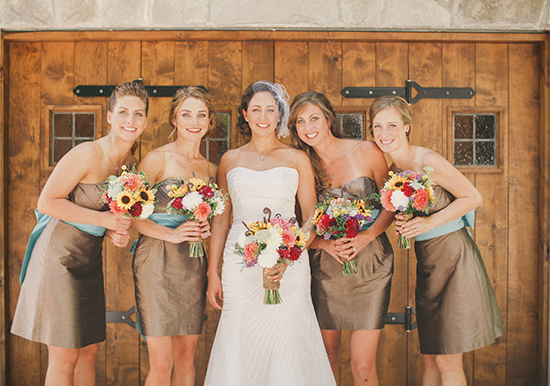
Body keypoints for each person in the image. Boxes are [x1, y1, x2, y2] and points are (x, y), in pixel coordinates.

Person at [11, 82, 149, 386]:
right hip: (58, 259)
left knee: (89, 350)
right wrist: (105, 220)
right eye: (124, 112)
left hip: (88, 260)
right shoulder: (87, 153)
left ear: (145, 122)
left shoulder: (129, 166)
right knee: (66, 356)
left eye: (138, 114)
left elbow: (116, 220)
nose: (131, 120)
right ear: (110, 116)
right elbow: (47, 202)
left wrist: (120, 234)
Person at [204, 81, 336, 386]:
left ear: (279, 115)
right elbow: (222, 220)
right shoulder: (230, 160)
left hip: (289, 259)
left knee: (287, 334)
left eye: (270, 109)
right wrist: (213, 272)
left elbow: (312, 216)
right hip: (239, 263)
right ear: (245, 115)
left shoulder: (296, 158)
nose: (263, 115)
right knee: (240, 331)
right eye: (256, 109)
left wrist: (289, 256)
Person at [369, 95, 505, 386]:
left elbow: (473, 197)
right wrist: (406, 223)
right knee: (430, 355)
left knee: (446, 358)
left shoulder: (427, 161)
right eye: (377, 126)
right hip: (429, 262)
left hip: (454, 259)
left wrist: (428, 222)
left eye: (392, 125)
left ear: (406, 127)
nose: (384, 134)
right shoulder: (393, 172)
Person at [289, 91, 394, 386]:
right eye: (300, 122)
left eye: (314, 118)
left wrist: (367, 236)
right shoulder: (300, 163)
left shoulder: (367, 150)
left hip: (371, 262)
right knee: (326, 357)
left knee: (362, 366)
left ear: (328, 119)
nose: (308, 127)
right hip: (324, 266)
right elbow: (299, 220)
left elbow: (390, 201)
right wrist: (323, 244)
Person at [131, 86, 216, 386]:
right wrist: (172, 234)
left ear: (209, 121)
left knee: (186, 357)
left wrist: (204, 229)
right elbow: (129, 216)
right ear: (174, 120)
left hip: (193, 265)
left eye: (201, 115)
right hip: (156, 260)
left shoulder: (210, 169)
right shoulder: (157, 159)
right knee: (162, 362)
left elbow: (215, 218)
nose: (194, 121)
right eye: (186, 114)